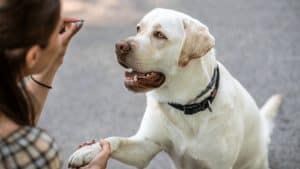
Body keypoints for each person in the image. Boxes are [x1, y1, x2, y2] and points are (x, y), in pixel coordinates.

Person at [0, 0, 111, 168]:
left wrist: (54, 60)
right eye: (55, 29)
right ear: (33, 56)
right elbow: (20, 140)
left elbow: (17, 122)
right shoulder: (31, 151)